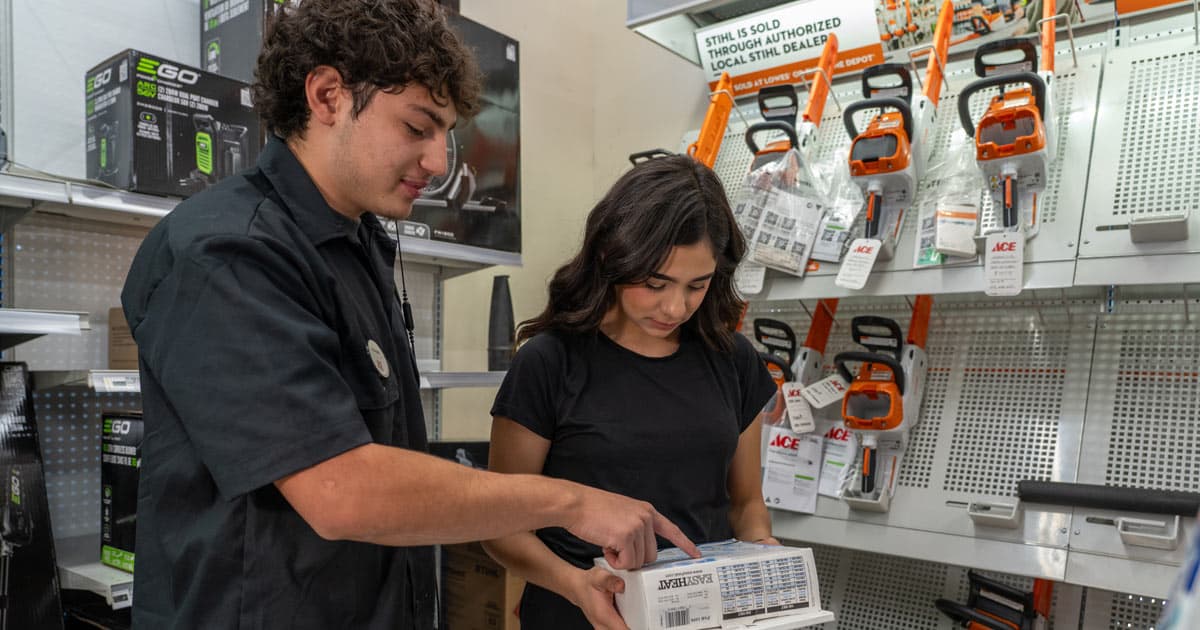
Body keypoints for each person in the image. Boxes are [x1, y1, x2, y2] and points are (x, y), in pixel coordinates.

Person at [119, 1, 696, 628]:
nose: (441, 162)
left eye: (446, 134)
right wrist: (570, 502)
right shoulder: (228, 251)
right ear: (327, 95)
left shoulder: (359, 247)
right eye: (418, 127)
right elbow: (340, 490)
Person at [482, 155, 780, 630]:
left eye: (697, 285)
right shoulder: (549, 362)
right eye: (656, 283)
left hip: (702, 618)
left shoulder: (734, 361)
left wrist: (764, 560)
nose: (675, 306)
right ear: (613, 257)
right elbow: (500, 523)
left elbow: (745, 504)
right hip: (577, 616)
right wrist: (574, 584)